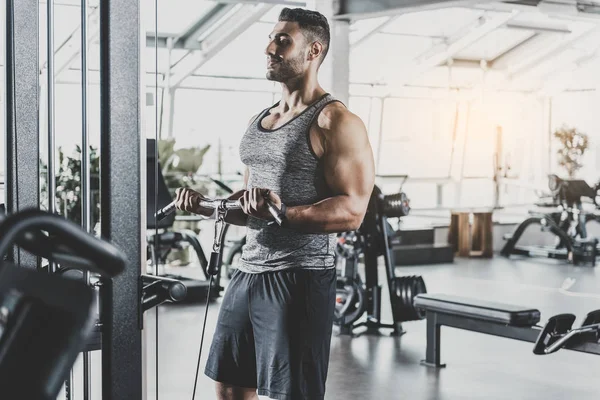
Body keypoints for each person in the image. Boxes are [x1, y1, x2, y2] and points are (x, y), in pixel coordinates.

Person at [175, 7, 375, 400]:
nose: (270, 47)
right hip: (247, 272)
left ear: (314, 50)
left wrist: (282, 213)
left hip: (299, 278)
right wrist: (207, 207)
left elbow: (353, 211)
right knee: (230, 388)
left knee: (292, 394)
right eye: (271, 38)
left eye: (283, 41)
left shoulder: (334, 121)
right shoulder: (262, 119)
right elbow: (249, 205)